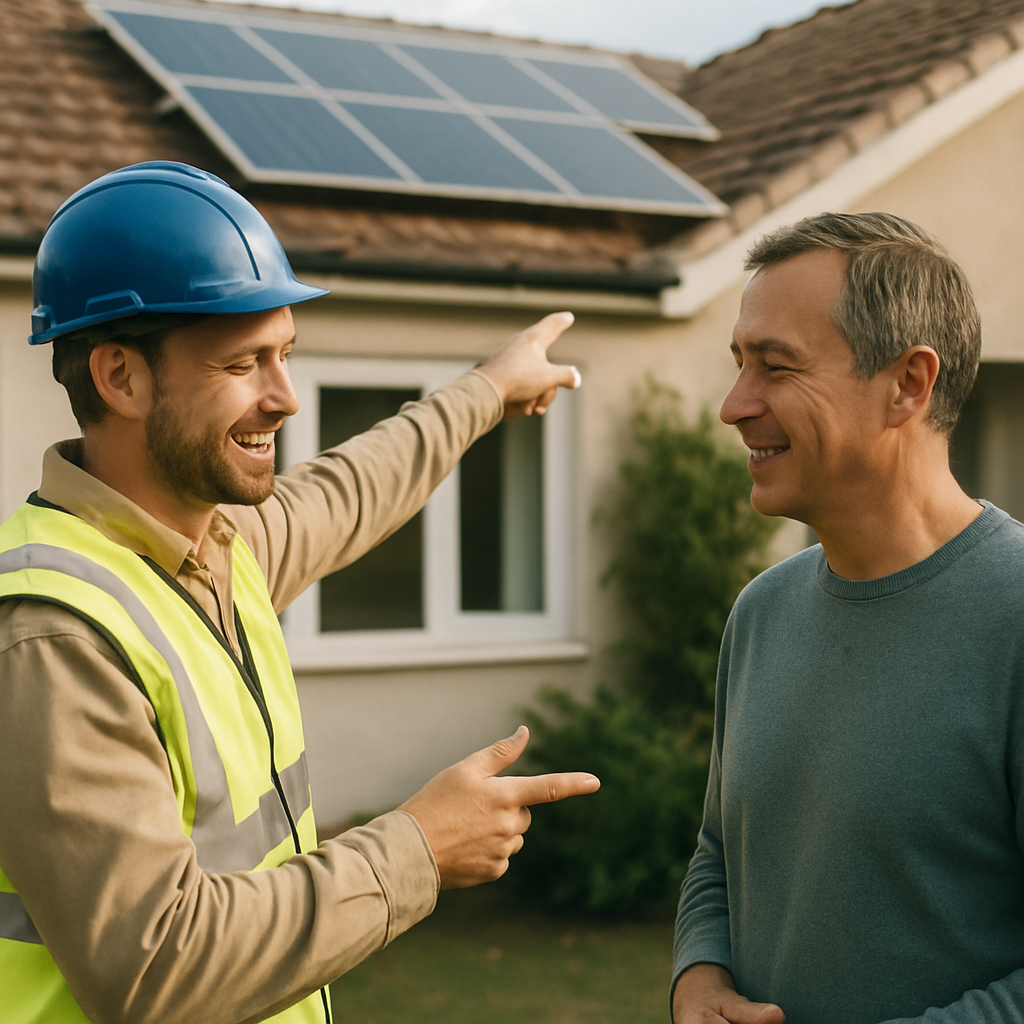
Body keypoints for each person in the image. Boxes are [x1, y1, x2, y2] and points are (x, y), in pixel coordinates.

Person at [0, 161, 599, 1024]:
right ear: (120, 377)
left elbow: (353, 487)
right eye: (244, 363)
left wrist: (487, 389)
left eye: (285, 355)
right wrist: (421, 847)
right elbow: (154, 967)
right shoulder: (55, 636)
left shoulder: (217, 550)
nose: (284, 398)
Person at [671, 211, 1024, 1024]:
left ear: (908, 384)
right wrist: (700, 980)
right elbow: (720, 854)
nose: (733, 406)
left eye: (776, 367)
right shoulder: (761, 612)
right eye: (739, 365)